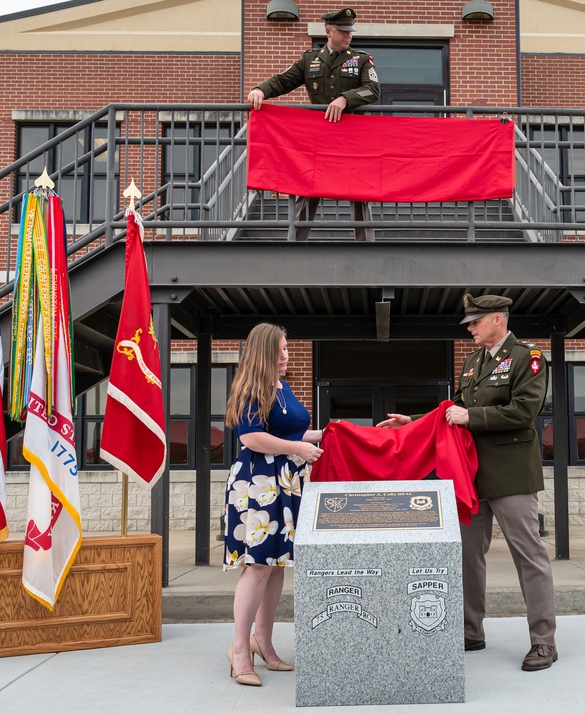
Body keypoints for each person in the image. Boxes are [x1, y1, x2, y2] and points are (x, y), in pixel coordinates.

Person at [378, 294, 558, 671]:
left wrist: (471, 416)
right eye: (469, 323)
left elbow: (525, 411)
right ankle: (469, 631)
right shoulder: (474, 362)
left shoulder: (529, 357)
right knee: (466, 557)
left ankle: (543, 642)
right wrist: (414, 422)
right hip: (472, 477)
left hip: (511, 475)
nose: (470, 328)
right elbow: (451, 411)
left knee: (529, 556)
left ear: (497, 319)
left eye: (475, 322)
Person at [223, 323, 324, 686]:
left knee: (278, 565)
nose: (285, 356)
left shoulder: (282, 387)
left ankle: (263, 643)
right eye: (280, 350)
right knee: (259, 565)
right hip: (259, 483)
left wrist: (329, 434)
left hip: (285, 483)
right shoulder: (251, 386)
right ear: (265, 352)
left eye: (287, 349)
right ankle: (238, 649)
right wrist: (299, 449)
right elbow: (251, 436)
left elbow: (291, 433)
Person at [247, 7, 380, 241]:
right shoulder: (310, 60)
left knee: (359, 189)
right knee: (309, 184)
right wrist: (261, 89)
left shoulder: (361, 60)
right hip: (320, 137)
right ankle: (296, 244)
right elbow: (284, 80)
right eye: (342, 31)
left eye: (350, 31)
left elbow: (373, 89)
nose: (348, 35)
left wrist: (345, 99)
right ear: (328, 31)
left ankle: (366, 244)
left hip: (351, 138)